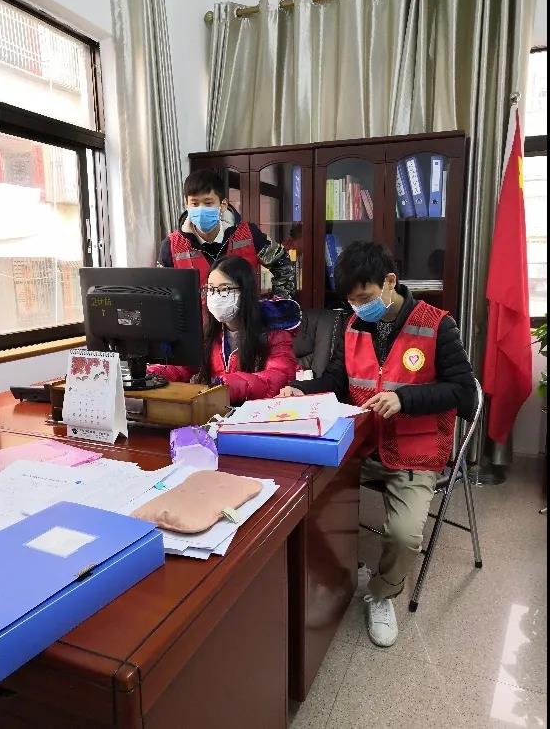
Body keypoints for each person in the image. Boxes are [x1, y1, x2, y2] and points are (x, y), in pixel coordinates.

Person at [279, 241, 475, 648]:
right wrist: (303, 390)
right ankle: (337, 571)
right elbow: (338, 380)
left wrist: (405, 399)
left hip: (414, 452)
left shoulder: (437, 325)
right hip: (364, 446)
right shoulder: (353, 326)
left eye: (364, 297)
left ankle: (382, 593)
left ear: (389, 281)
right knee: (305, 493)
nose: (358, 307)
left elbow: (462, 392)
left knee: (403, 536)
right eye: (351, 300)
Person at [149, 255, 300, 404]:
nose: (215, 296)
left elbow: (278, 376)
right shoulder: (208, 331)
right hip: (216, 409)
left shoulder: (274, 332)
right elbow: (186, 367)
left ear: (244, 292)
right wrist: (150, 374)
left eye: (224, 289)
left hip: (257, 412)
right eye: (210, 289)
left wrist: (227, 385)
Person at [158, 169, 295, 299]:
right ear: (186, 205)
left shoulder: (249, 234)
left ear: (222, 204)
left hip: (244, 315)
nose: (201, 209)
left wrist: (280, 303)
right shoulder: (171, 246)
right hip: (195, 316)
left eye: (208, 203)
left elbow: (282, 262)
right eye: (194, 203)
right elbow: (161, 290)